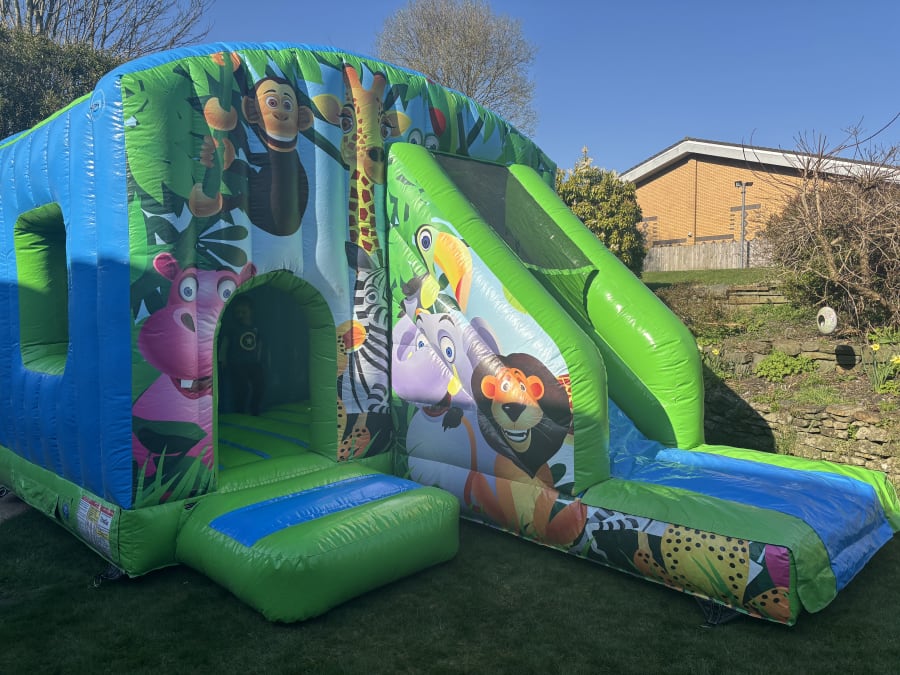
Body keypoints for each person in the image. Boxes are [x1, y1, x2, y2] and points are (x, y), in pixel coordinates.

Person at [220, 295, 266, 415]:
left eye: (244, 312)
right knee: (241, 388)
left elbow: (259, 343)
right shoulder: (233, 328)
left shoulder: (255, 327)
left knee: (259, 386)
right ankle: (239, 411)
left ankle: (254, 409)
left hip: (254, 363)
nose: (240, 315)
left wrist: (259, 358)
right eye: (238, 313)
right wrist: (222, 358)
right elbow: (225, 343)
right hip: (238, 364)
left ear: (251, 311)